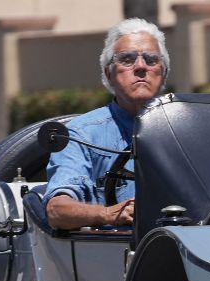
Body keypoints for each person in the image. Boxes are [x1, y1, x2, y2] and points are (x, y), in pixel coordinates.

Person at [44, 18, 169, 230]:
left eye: (151, 59)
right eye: (127, 59)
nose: (140, 67)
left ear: (163, 72)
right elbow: (57, 211)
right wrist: (108, 214)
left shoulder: (190, 129)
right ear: (108, 73)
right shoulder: (81, 134)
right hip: (111, 255)